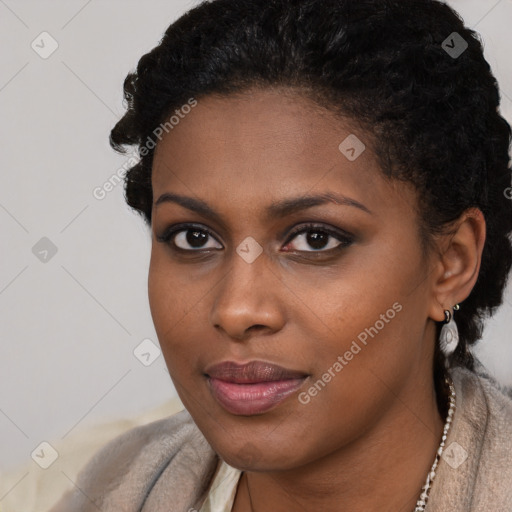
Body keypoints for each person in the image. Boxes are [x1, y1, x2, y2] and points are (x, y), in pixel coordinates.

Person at [49, 0, 512, 510]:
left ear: (451, 262)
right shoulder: (99, 487)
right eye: (193, 237)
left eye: (316, 239)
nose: (236, 310)